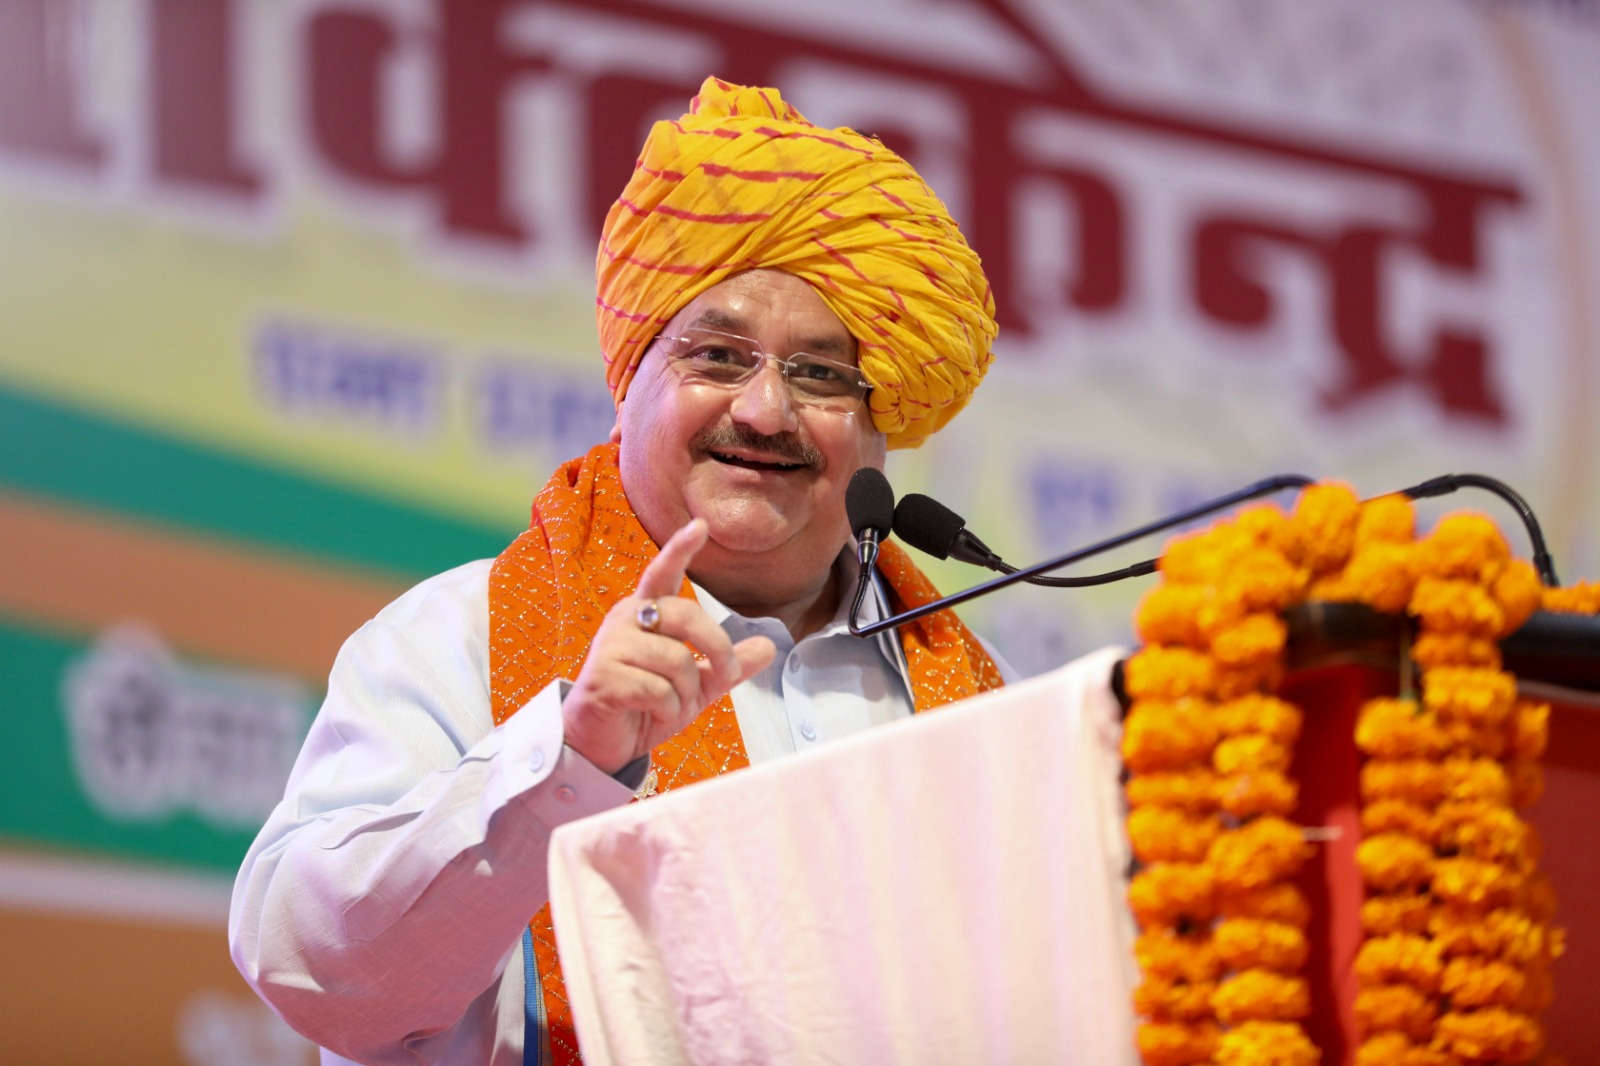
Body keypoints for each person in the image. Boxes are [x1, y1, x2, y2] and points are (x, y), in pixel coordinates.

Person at [230, 76, 1010, 1066]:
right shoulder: (451, 639)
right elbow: (317, 978)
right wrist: (568, 761)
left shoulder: (977, 697)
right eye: (717, 356)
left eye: (819, 373)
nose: (767, 411)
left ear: (877, 425)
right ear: (630, 380)